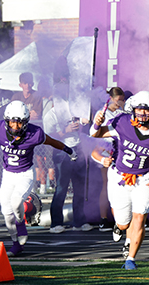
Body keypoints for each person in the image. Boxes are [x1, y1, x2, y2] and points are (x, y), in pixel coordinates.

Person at [0, 100, 78, 257]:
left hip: (25, 174)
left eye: (19, 123)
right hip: (8, 174)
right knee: (6, 213)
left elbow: (51, 141)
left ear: (25, 122)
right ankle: (16, 244)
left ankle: (21, 223)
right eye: (12, 122)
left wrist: (68, 150)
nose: (15, 126)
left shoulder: (34, 133)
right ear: (6, 120)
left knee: (17, 202)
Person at [91, 91, 149, 270]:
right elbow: (96, 135)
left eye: (147, 110)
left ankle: (130, 258)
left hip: (144, 177)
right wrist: (96, 124)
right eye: (139, 109)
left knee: (139, 218)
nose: (143, 113)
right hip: (119, 176)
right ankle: (120, 227)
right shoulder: (122, 122)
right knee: (123, 222)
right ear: (133, 109)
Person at [46, 77, 94, 233]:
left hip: (78, 148)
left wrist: (84, 121)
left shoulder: (73, 109)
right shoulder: (51, 115)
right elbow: (48, 137)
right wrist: (65, 131)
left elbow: (84, 120)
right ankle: (56, 223)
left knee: (80, 187)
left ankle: (79, 221)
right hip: (61, 152)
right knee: (61, 188)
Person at [91, 87, 128, 232]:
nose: (121, 102)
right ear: (111, 99)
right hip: (106, 150)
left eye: (123, 99)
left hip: (121, 151)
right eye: (119, 100)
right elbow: (94, 134)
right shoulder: (102, 113)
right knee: (108, 186)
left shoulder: (123, 112)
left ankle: (122, 220)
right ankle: (104, 219)